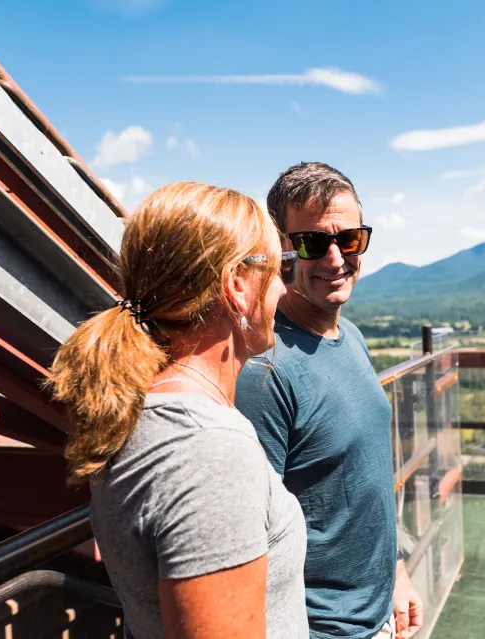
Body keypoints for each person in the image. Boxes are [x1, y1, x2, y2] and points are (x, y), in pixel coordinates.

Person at [49, 183, 307, 639]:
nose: (285, 288)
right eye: (279, 267)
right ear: (238, 285)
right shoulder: (208, 452)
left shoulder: (140, 410)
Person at [236, 162, 423, 639]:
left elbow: (364, 476)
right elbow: (250, 535)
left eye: (351, 239)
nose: (336, 259)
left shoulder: (352, 337)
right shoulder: (267, 367)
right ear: (281, 251)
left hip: (378, 613)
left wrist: (395, 569)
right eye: (312, 243)